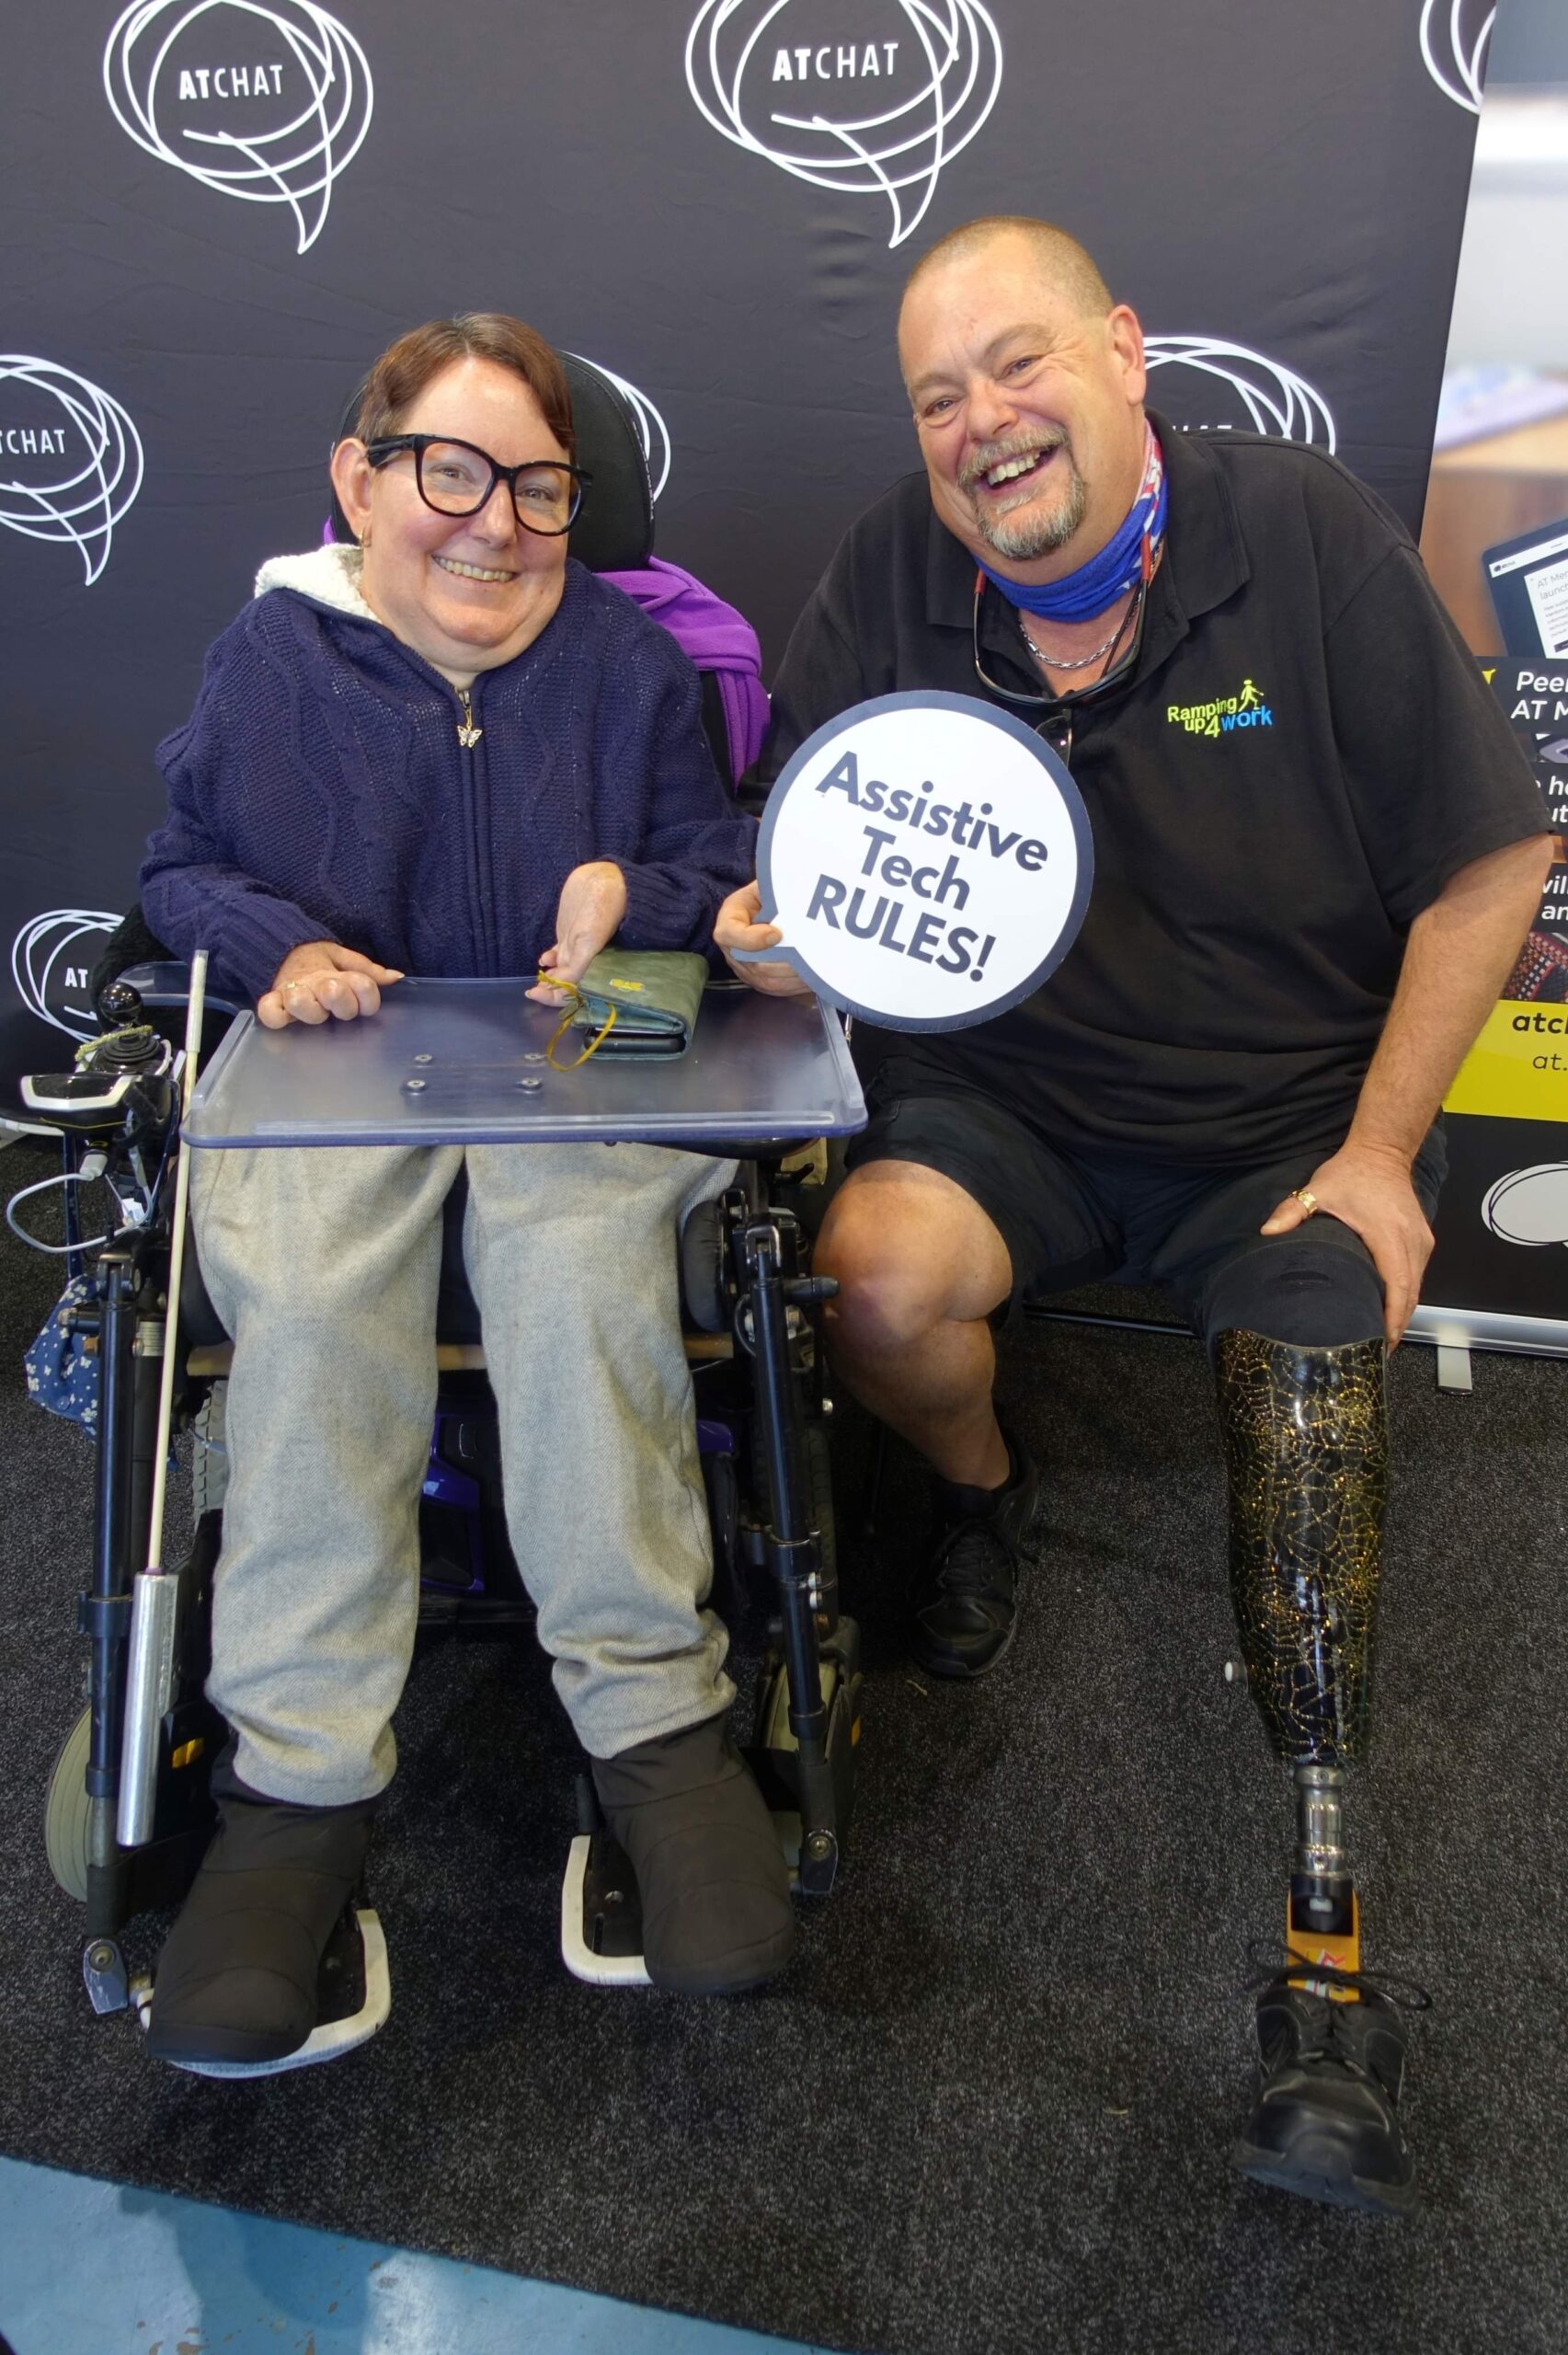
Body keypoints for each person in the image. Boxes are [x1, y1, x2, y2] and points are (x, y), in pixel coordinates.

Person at [717, 219, 1551, 2213]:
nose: (983, 424)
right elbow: (808, 848)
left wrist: (1378, 1154)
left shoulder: (1302, 538)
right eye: (937, 398)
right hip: (1003, 1105)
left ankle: (1325, 1964)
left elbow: (1496, 855)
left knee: (1310, 1414)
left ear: (1120, 351)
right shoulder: (892, 571)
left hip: (1280, 1127)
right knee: (867, 1281)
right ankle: (980, 1493)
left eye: (1017, 365)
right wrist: (781, 934)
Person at [138, 312, 795, 2066]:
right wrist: (275, 946)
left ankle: (655, 1736)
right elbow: (178, 868)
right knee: (312, 1288)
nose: (496, 522)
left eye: (538, 487)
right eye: (452, 473)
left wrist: (633, 899)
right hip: (343, 1056)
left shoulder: (628, 667)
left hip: (576, 1048)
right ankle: (293, 1791)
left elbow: (718, 857)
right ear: (359, 483)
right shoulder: (273, 659)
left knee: (579, 1268)